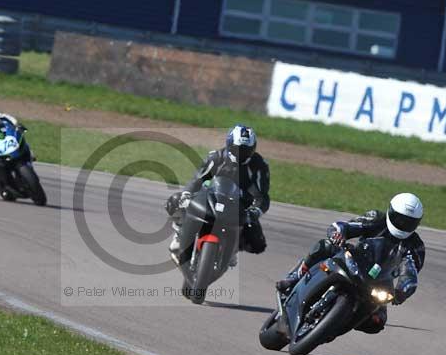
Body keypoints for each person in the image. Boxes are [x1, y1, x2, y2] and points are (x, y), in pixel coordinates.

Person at [276, 193, 425, 334]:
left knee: (377, 322)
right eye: (399, 219)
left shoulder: (416, 246)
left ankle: (336, 325)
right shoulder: (376, 218)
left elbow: (410, 273)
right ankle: (294, 277)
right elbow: (345, 226)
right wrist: (338, 234)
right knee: (325, 246)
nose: (403, 224)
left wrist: (401, 292)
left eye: (409, 222)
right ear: (390, 211)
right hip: (355, 259)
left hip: (380, 282)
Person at [166, 124, 270, 264]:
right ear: (229, 144)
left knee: (258, 242)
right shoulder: (217, 157)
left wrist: (256, 210)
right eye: (238, 148)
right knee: (175, 200)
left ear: (252, 149)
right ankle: (180, 235)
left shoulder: (259, 165)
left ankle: (233, 249)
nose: (241, 153)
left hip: (239, 206)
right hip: (210, 198)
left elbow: (262, 196)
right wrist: (187, 194)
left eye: (246, 150)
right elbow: (198, 178)